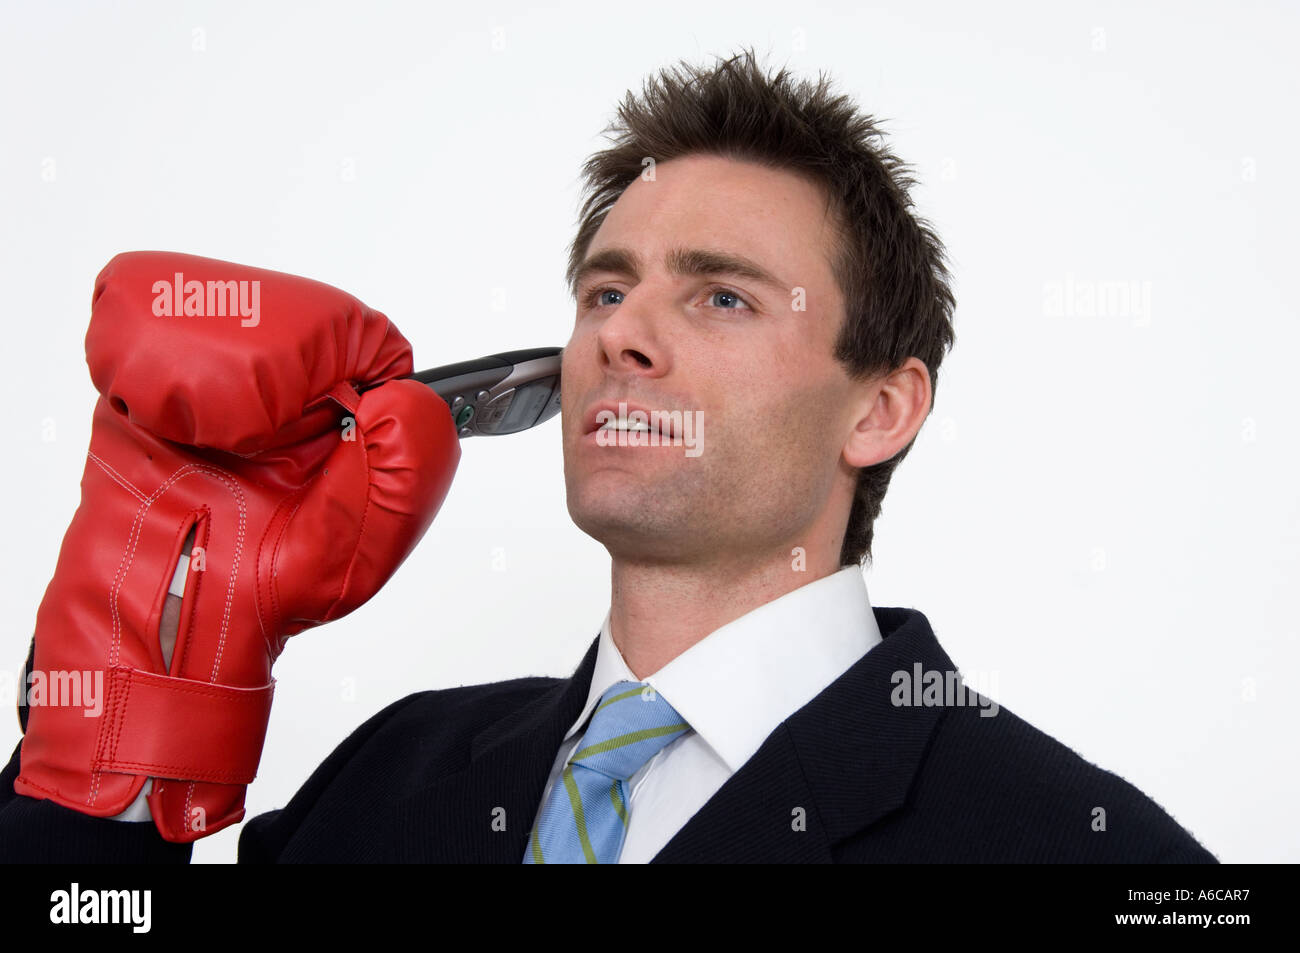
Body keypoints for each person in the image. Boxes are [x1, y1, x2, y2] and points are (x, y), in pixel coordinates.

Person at [1, 49, 1216, 863]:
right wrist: (111, 730)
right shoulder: (388, 777)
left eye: (723, 298)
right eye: (604, 289)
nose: (621, 333)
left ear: (882, 409)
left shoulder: (1082, 847)